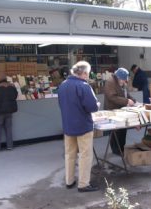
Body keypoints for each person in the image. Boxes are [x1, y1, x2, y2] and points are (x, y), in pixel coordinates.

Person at [58, 61, 100, 193]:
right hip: (83, 125)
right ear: (84, 73)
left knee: (69, 154)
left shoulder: (63, 85)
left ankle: (69, 181)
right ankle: (83, 184)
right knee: (85, 155)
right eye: (88, 73)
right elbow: (92, 107)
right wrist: (97, 104)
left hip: (68, 125)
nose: (88, 76)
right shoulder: (84, 86)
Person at [104, 67, 136, 156]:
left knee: (122, 130)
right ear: (119, 78)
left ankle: (121, 148)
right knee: (115, 132)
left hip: (120, 110)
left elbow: (126, 94)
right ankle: (116, 150)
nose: (124, 82)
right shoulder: (110, 82)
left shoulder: (120, 82)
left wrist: (134, 100)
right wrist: (126, 101)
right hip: (112, 110)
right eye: (123, 80)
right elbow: (112, 97)